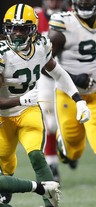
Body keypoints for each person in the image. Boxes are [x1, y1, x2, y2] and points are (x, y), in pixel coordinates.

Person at [0, 3, 90, 207]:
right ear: (6, 28)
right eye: (13, 28)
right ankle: (6, 189)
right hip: (2, 115)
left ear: (33, 29)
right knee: (7, 164)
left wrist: (78, 100)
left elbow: (58, 72)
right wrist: (20, 100)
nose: (17, 33)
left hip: (29, 111)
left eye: (23, 28)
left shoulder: (42, 45)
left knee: (37, 155)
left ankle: (51, 206)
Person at [48, 0, 96, 170]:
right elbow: (44, 64)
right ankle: (64, 147)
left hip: (95, 95)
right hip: (69, 94)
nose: (85, 2)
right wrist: (76, 78)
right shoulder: (64, 23)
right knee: (73, 150)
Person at [35, 0, 70, 183]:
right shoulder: (35, 15)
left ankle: (70, 151)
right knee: (50, 122)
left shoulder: (73, 14)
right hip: (45, 77)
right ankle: (52, 162)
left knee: (72, 119)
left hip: (69, 75)